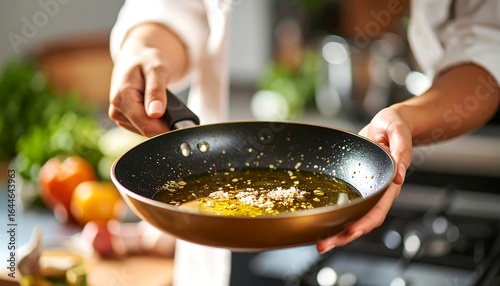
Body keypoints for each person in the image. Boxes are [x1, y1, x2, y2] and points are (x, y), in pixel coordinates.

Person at [107, 0, 500, 284]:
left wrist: (407, 120)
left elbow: (485, 49)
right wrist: (143, 50)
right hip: (209, 253)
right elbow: (176, 10)